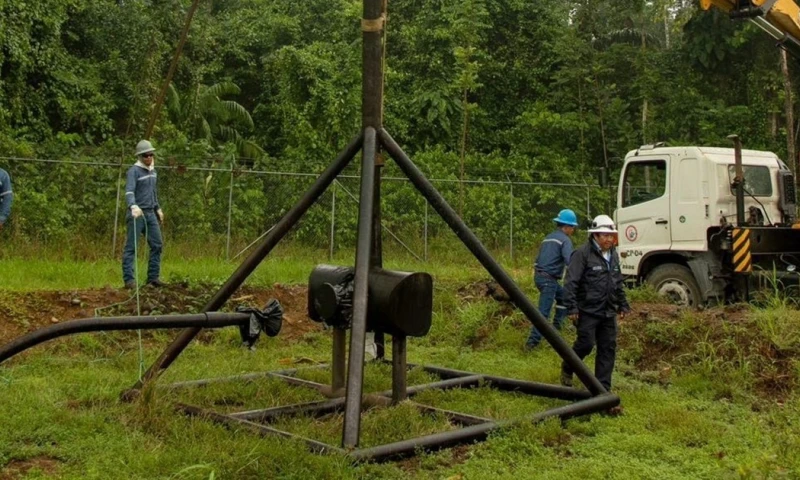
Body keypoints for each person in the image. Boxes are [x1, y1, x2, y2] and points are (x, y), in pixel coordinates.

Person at [560, 214, 630, 407]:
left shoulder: (613, 254)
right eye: (605, 235)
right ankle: (568, 366)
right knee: (586, 344)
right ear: (595, 236)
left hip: (608, 311)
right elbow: (571, 282)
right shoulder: (582, 254)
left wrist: (623, 304)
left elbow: (617, 281)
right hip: (588, 310)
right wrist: (572, 307)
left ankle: (602, 391)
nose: (609, 239)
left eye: (611, 235)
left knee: (607, 348)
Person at [525, 209, 578, 350]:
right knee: (543, 313)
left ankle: (557, 329)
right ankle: (532, 343)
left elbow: (538, 259)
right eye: (572, 227)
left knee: (563, 298)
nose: (573, 230)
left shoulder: (548, 238)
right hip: (549, 280)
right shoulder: (565, 240)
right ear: (566, 226)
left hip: (539, 277)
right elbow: (570, 261)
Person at [122, 140, 166, 289]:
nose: (149, 157)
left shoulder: (153, 171)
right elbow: (129, 191)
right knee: (131, 247)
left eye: (151, 154)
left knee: (157, 244)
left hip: (150, 213)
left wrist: (157, 208)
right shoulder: (134, 171)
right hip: (137, 213)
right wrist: (133, 206)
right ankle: (129, 280)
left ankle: (153, 277)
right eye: (146, 155)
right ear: (140, 156)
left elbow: (153, 192)